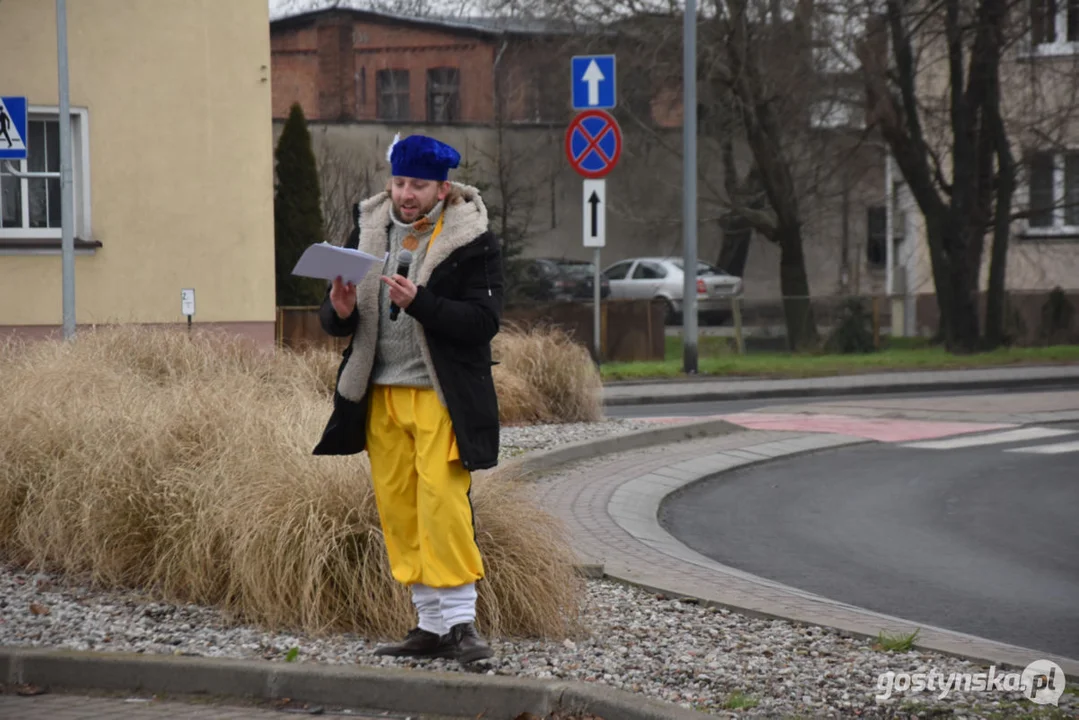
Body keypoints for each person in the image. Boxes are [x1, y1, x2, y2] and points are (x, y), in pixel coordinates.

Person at [313, 134, 503, 665]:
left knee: (442, 505)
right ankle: (429, 626)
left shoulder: (473, 238)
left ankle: (462, 624)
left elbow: (483, 322)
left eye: (417, 185)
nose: (405, 194)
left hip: (440, 396)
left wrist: (423, 302)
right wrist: (341, 306)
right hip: (379, 394)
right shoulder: (367, 230)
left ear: (443, 187)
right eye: (398, 182)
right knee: (399, 508)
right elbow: (334, 323)